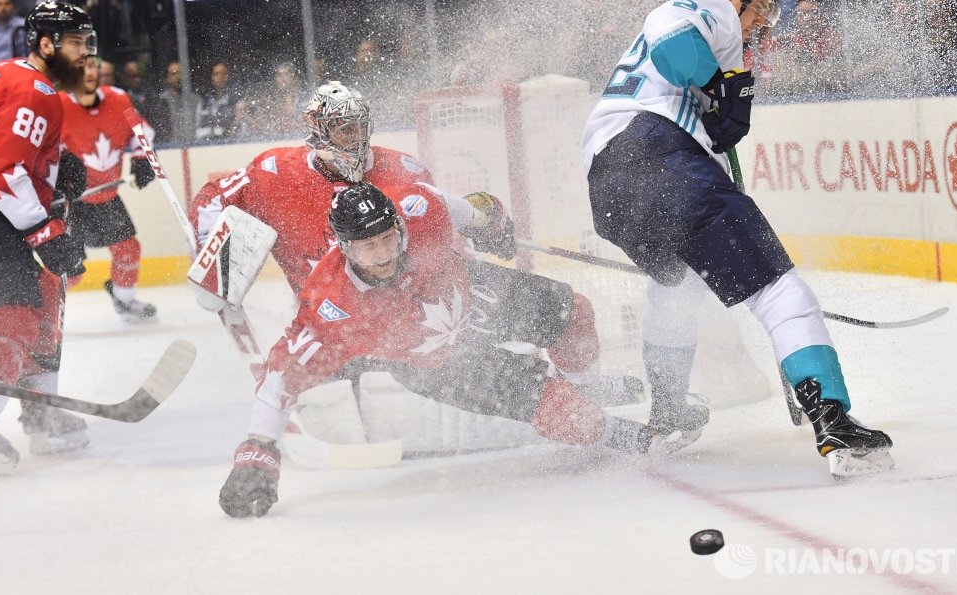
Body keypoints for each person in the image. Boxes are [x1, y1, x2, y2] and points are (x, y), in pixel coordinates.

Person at [582, 0, 894, 477]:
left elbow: (708, 120)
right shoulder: (710, 6)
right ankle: (834, 422)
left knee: (675, 289)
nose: (760, 22)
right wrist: (721, 80)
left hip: (609, 187)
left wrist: (721, 104)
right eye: (761, 6)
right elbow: (671, 41)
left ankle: (669, 410)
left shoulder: (709, 48)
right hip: (657, 155)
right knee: (780, 291)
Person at [217, 182, 661, 518]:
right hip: (436, 364)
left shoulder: (419, 210)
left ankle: (590, 388)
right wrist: (257, 452)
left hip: (475, 294)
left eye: (388, 238)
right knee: (569, 415)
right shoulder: (333, 307)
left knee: (575, 312)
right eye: (368, 247)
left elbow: (464, 208)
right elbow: (280, 375)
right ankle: (614, 430)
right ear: (345, 247)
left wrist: (492, 224)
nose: (384, 254)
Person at [189, 81, 643, 400]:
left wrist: (483, 238)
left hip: (423, 306)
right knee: (299, 368)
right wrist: (211, 252)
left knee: (563, 311)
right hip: (344, 322)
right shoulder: (274, 172)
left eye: (360, 127)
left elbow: (441, 231)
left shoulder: (402, 169)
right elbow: (214, 198)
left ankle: (579, 393)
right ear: (318, 132)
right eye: (344, 129)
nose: (356, 139)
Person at [0, 1, 96, 472]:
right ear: (46, 44)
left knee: (43, 293)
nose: (84, 53)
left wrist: (56, 168)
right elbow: (0, 171)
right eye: (74, 42)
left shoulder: (15, 74)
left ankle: (40, 414)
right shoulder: (37, 91)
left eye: (86, 42)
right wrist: (45, 232)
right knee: (14, 309)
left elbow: (4, 149)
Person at [59, 54, 158, 322]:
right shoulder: (58, 107)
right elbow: (42, 152)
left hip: (106, 196)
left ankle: (124, 300)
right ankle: (39, 310)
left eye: (93, 68)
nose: (89, 75)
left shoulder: (118, 99)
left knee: (128, 249)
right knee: (70, 272)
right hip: (70, 204)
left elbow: (143, 133)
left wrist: (142, 158)